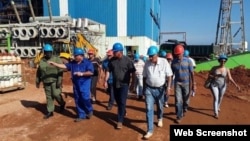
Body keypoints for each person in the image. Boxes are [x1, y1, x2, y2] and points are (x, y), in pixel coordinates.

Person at [48, 48, 94, 122]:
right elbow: (65, 66)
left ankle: (89, 109)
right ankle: (81, 115)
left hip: (85, 83)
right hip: (76, 84)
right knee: (77, 99)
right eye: (74, 55)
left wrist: (81, 74)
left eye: (76, 56)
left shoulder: (87, 63)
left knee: (85, 98)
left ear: (81, 55)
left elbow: (91, 72)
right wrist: (55, 64)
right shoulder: (73, 63)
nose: (74, 57)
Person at [142, 46, 173, 139]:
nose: (150, 58)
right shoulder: (147, 63)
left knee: (160, 106)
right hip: (149, 89)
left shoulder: (164, 62)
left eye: (152, 56)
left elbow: (169, 76)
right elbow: (144, 77)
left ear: (157, 55)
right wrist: (144, 89)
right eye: (149, 56)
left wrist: (168, 88)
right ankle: (150, 130)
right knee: (148, 108)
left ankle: (160, 118)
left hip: (160, 89)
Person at [104, 42, 136, 129]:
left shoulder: (127, 60)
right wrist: (105, 80)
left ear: (120, 52)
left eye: (115, 52)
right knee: (118, 101)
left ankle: (120, 121)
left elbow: (133, 72)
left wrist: (133, 83)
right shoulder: (112, 60)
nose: (113, 53)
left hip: (124, 85)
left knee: (122, 101)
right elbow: (108, 70)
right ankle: (123, 111)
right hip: (115, 84)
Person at [35, 44, 66, 119]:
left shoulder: (56, 59)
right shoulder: (42, 60)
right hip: (46, 81)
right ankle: (50, 111)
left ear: (52, 52)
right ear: (44, 52)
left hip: (55, 81)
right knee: (49, 96)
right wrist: (37, 81)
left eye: (49, 52)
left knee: (56, 94)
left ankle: (62, 103)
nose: (48, 53)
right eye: (46, 52)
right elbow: (39, 71)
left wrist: (59, 81)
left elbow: (60, 70)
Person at [208, 54, 240, 119]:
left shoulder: (227, 69)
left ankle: (218, 106)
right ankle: (216, 113)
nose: (223, 62)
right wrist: (214, 76)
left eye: (224, 61)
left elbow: (230, 78)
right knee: (216, 98)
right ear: (219, 61)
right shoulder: (214, 68)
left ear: (225, 61)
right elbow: (209, 75)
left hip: (223, 85)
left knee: (220, 97)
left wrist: (236, 85)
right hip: (214, 85)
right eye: (221, 61)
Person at [171, 44, 196, 124]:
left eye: (179, 54)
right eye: (176, 54)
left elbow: (192, 73)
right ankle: (179, 116)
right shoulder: (173, 62)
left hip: (187, 83)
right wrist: (170, 85)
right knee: (178, 100)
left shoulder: (188, 61)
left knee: (186, 100)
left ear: (182, 53)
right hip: (177, 83)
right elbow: (171, 74)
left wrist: (193, 84)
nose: (178, 55)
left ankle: (185, 108)